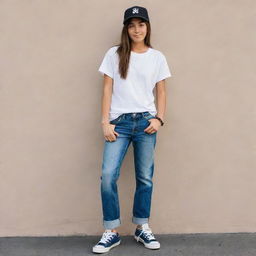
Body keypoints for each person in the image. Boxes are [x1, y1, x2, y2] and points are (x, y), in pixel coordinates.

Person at [92, 5, 172, 254]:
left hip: (146, 122)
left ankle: (141, 226)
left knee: (145, 178)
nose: (137, 29)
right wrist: (105, 122)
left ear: (147, 27)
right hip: (120, 124)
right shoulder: (114, 54)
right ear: (126, 29)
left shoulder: (157, 57)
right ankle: (112, 231)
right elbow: (107, 89)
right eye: (131, 25)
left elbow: (161, 91)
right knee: (108, 177)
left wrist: (159, 119)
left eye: (141, 24)